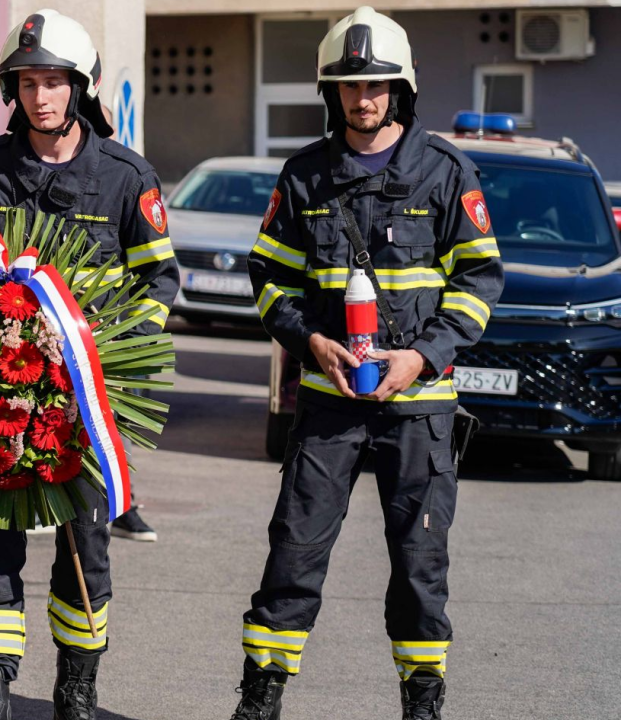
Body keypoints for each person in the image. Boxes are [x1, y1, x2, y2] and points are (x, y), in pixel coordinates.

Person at [233, 7, 503, 720]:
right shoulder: (302, 179)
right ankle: (260, 698)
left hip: (419, 409)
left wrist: (423, 355)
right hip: (328, 405)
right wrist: (307, 343)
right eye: (350, 86)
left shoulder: (446, 173)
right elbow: (269, 279)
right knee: (293, 555)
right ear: (332, 93)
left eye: (377, 85)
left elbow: (480, 280)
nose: (364, 98)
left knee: (419, 567)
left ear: (401, 90)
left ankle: (422, 703)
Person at [0, 9, 180, 719]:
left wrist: (112, 354)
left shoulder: (125, 176)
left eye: (52, 82)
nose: (38, 97)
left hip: (82, 406)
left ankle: (76, 687)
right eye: (25, 82)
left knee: (87, 549)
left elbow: (160, 283)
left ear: (81, 87)